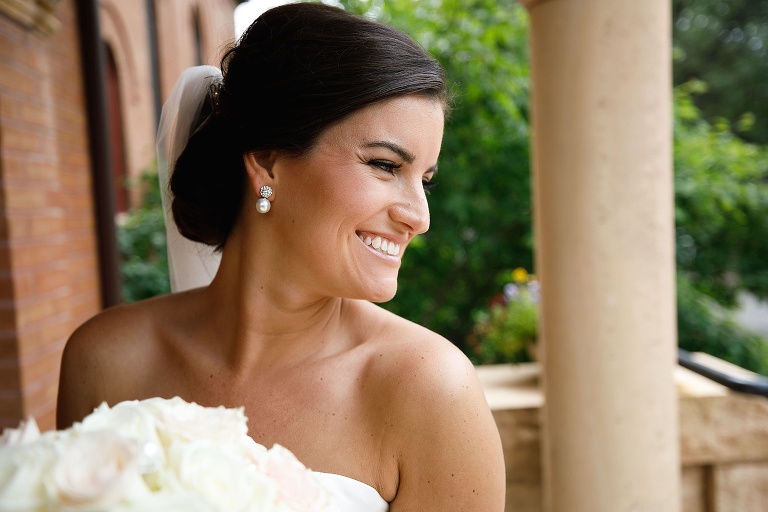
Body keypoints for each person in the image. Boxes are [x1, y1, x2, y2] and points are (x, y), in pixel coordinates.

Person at [57, 3, 506, 511]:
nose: (419, 217)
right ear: (268, 161)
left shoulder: (430, 392)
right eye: (384, 165)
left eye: (424, 180)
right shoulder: (106, 362)